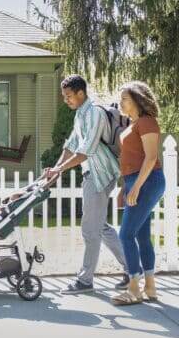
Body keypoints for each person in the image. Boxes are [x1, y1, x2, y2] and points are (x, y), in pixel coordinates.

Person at [44, 75, 128, 294]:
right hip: (93, 173)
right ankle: (132, 268)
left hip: (101, 174)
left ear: (81, 93)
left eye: (69, 96)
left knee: (90, 229)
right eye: (64, 97)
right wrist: (55, 169)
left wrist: (59, 170)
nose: (66, 101)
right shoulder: (80, 115)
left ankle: (85, 281)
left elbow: (85, 152)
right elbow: (71, 145)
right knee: (99, 227)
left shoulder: (95, 113)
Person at [111, 81, 165, 306]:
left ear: (137, 100)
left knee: (125, 234)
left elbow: (151, 158)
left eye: (124, 98)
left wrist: (136, 186)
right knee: (141, 235)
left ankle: (134, 288)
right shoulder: (133, 125)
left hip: (148, 181)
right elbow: (133, 160)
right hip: (137, 180)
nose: (120, 102)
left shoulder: (147, 122)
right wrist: (127, 186)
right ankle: (150, 287)